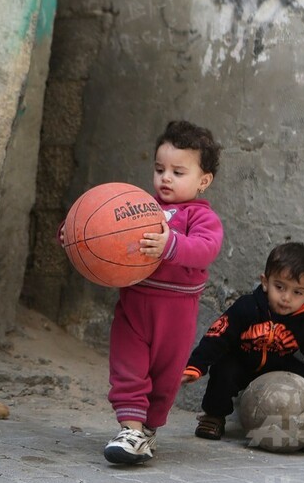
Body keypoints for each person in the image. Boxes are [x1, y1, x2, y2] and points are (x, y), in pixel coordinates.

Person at [60, 120, 223, 464]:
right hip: (134, 303)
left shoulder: (201, 217)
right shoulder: (136, 206)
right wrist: (74, 235)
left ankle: (148, 429)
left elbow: (205, 249)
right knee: (127, 368)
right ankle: (130, 429)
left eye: (178, 172)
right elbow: (101, 227)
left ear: (203, 181)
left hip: (176, 311)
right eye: (160, 168)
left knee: (165, 379)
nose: (165, 177)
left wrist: (171, 243)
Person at [181, 241, 304, 452]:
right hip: (243, 360)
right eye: (280, 287)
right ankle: (214, 416)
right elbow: (218, 336)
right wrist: (195, 366)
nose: (286, 298)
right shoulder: (246, 308)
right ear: (265, 282)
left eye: (297, 292)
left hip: (280, 368)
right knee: (224, 369)